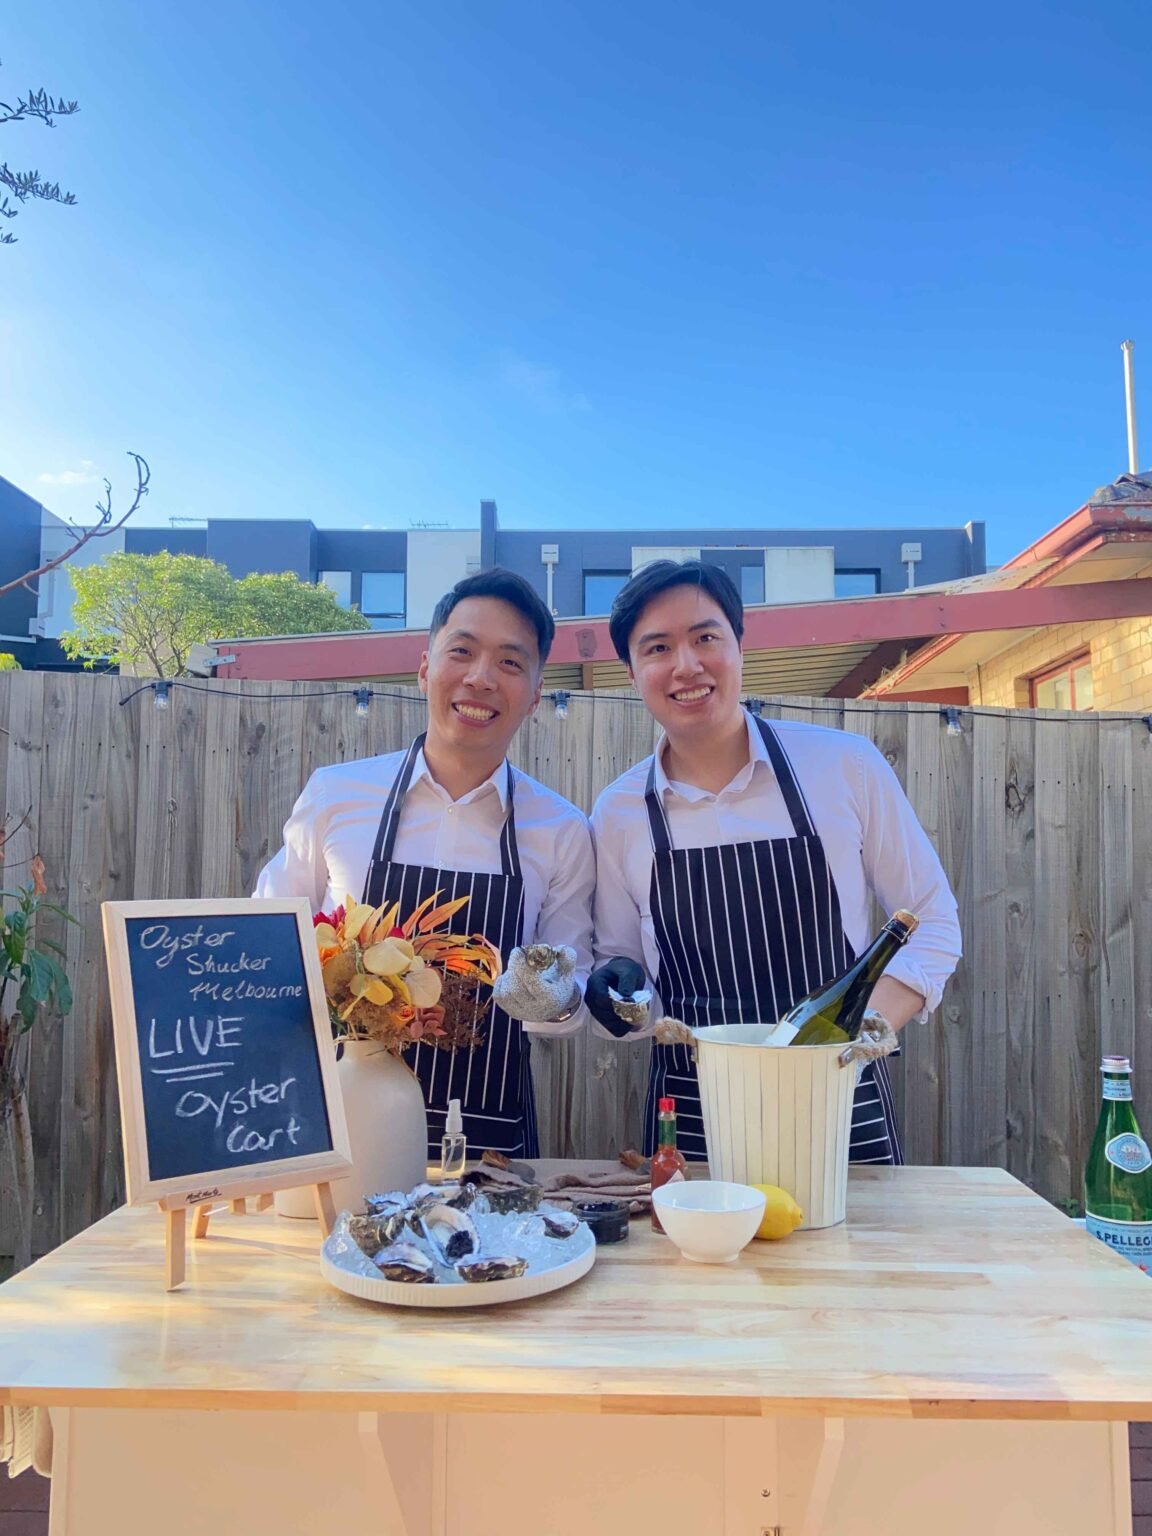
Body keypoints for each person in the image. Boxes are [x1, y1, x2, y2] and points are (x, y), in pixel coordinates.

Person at [585, 559, 961, 1163]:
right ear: (632, 673)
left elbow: (934, 921)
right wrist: (615, 994)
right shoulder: (619, 812)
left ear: (739, 646)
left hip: (837, 1100)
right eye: (658, 647)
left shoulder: (844, 768)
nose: (686, 665)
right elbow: (622, 969)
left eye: (706, 637)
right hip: (694, 1114)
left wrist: (854, 1040)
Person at [255, 569, 595, 1160]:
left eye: (511, 663)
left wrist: (553, 997)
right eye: (461, 652)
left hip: (489, 1148)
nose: (481, 677)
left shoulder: (560, 829)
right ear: (424, 667)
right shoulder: (337, 796)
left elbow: (572, 997)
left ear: (536, 694)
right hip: (341, 1132)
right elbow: (267, 939)